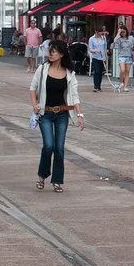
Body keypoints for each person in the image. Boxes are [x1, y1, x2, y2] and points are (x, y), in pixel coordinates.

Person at [29, 39, 84, 192]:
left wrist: (79, 115)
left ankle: (57, 181)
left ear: (61, 54)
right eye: (50, 51)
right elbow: (32, 89)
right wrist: (35, 104)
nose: (50, 54)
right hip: (45, 113)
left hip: (62, 114)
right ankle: (42, 175)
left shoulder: (69, 74)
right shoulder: (42, 69)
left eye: (54, 51)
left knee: (59, 147)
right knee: (48, 146)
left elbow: (75, 96)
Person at [111, 24, 134, 93]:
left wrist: (133, 48)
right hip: (121, 56)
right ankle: (120, 82)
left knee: (127, 72)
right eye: (121, 32)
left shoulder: (131, 38)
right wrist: (118, 33)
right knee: (122, 70)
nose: (123, 33)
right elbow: (114, 40)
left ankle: (125, 86)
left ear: (126, 31)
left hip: (129, 56)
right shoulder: (119, 39)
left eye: (123, 32)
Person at [87, 26, 108, 92]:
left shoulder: (103, 38)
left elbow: (105, 48)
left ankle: (99, 86)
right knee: (97, 71)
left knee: (100, 72)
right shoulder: (91, 39)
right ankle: (95, 86)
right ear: (96, 32)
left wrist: (105, 57)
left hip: (102, 57)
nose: (101, 34)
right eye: (100, 32)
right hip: (95, 57)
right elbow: (90, 49)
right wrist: (95, 50)